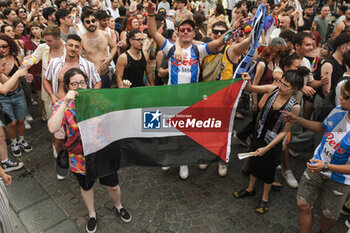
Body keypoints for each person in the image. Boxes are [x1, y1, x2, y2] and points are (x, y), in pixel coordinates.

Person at [146, 1, 228, 179]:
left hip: (192, 100)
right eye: (182, 29)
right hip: (171, 98)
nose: (185, 32)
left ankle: (183, 161)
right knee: (169, 131)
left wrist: (233, 31)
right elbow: (153, 33)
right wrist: (151, 14)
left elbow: (218, 43)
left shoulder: (199, 50)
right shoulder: (169, 47)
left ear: (193, 32)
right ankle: (169, 158)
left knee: (187, 132)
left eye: (188, 30)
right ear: (177, 32)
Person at [48, 68, 132, 233]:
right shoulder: (61, 104)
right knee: (86, 187)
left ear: (87, 83)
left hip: (103, 152)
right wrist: (65, 102)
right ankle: (92, 214)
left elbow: (116, 111)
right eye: (74, 84)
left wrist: (123, 92)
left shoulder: (97, 99)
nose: (79, 86)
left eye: (82, 82)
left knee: (113, 186)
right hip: (79, 157)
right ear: (67, 86)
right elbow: (52, 127)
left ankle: (119, 205)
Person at [234, 67, 306, 214]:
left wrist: (267, 148)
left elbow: (284, 132)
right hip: (259, 134)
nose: (280, 86)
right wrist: (247, 80)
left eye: (285, 85)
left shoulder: (295, 107)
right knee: (254, 161)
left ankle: (265, 197)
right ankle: (250, 189)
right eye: (281, 82)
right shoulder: (272, 89)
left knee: (268, 169)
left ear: (295, 89)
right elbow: (251, 87)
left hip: (273, 143)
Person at [283, 78, 350, 233]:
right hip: (315, 166)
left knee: (329, 216)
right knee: (302, 204)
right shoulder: (339, 111)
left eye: (345, 96)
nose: (340, 98)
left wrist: (326, 166)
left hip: (339, 180)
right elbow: (322, 127)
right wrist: (298, 119)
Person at [0, 35, 33, 158]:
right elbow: (4, 88)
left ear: (10, 45)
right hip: (3, 98)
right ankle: (14, 143)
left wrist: (27, 75)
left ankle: (22, 140)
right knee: (11, 123)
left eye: (4, 46)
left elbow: (23, 73)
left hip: (18, 93)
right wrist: (18, 73)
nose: (1, 49)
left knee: (20, 119)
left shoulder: (16, 58)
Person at [81, 10, 117, 88]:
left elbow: (114, 47)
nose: (91, 23)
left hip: (106, 74)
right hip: (92, 77)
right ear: (83, 24)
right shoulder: (82, 39)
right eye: (88, 22)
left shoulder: (105, 35)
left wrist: (110, 58)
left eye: (93, 21)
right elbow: (79, 59)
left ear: (96, 21)